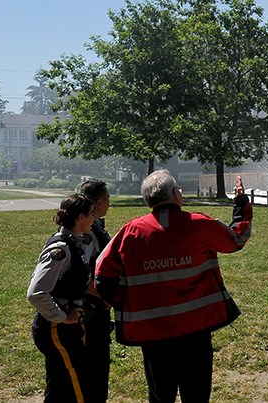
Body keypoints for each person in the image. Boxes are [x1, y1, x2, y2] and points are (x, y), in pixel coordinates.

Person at [94, 169, 252, 403]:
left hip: (154, 335)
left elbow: (102, 276)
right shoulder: (198, 224)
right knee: (197, 396)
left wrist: (127, 303)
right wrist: (240, 204)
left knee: (160, 397)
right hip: (196, 331)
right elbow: (236, 238)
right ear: (175, 194)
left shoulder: (130, 232)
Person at [27, 194, 96, 403]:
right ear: (81, 218)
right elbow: (36, 292)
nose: (94, 219)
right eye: (91, 214)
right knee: (79, 386)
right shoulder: (61, 249)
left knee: (59, 387)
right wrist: (61, 316)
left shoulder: (74, 242)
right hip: (56, 329)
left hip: (66, 328)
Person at [79, 178, 113, 402]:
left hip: (99, 307)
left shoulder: (95, 227)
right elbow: (79, 272)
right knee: (91, 367)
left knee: (100, 366)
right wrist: (103, 297)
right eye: (108, 199)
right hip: (89, 310)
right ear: (99, 203)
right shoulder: (86, 232)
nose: (110, 203)